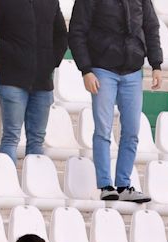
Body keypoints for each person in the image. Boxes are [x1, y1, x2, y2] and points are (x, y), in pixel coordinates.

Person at [68, 0, 162, 202]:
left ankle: (124, 185)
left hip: (133, 71)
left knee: (132, 131)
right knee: (103, 129)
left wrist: (156, 64)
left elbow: (151, 26)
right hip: (102, 69)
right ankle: (105, 185)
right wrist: (86, 70)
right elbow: (77, 30)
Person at [0, 0, 68, 161]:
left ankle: (35, 177)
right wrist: (9, 57)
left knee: (37, 140)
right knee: (11, 137)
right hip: (12, 79)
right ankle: (6, 176)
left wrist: (51, 61)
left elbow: (61, 34)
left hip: (43, 82)